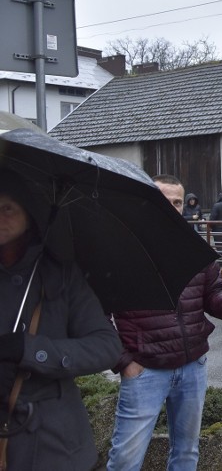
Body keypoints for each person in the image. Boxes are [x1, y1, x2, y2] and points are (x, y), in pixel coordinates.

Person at [107, 175, 222, 471]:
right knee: (125, 460)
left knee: (186, 453)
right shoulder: (121, 249)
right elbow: (96, 314)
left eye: (177, 202)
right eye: (163, 200)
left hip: (191, 367)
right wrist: (124, 362)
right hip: (145, 370)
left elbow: (211, 294)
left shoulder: (196, 248)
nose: (171, 207)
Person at [0, 169, 122, 470]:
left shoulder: (61, 275)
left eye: (7, 208)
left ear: (29, 215)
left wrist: (31, 350)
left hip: (52, 442)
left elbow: (107, 346)